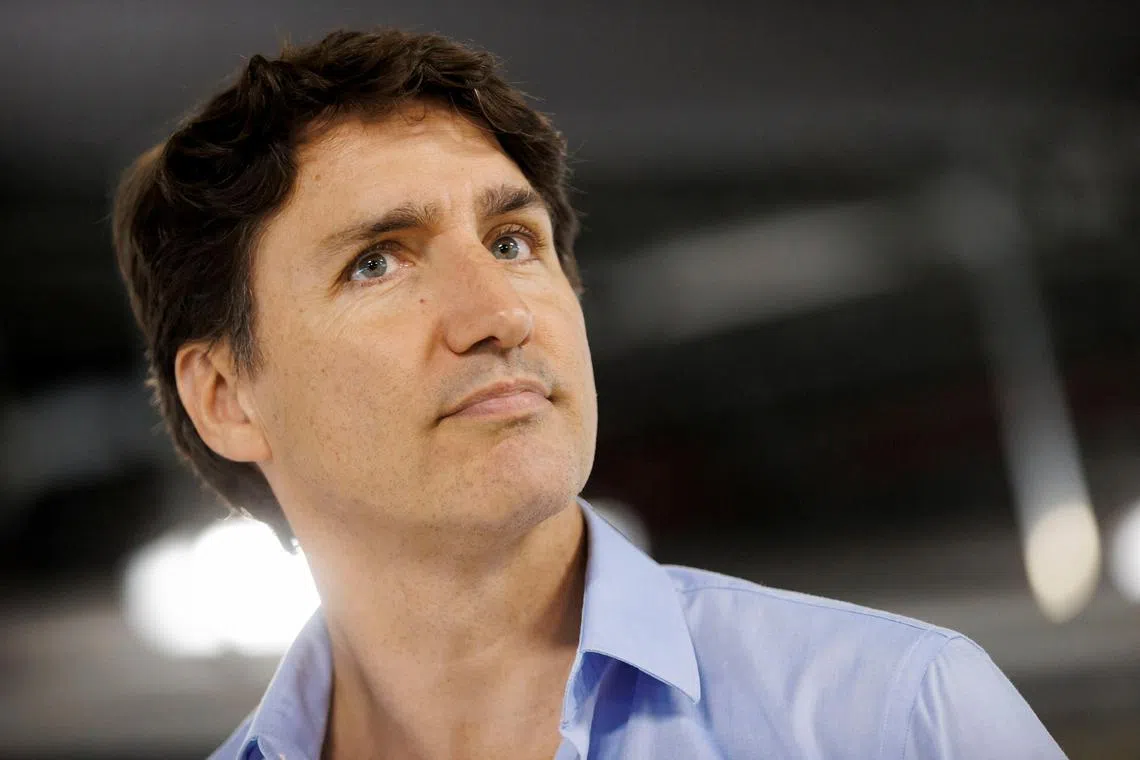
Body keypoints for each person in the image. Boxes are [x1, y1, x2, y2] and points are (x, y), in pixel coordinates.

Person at [111, 27, 1067, 760]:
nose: (496, 315)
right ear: (228, 395)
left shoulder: (897, 719)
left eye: (512, 242)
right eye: (376, 263)